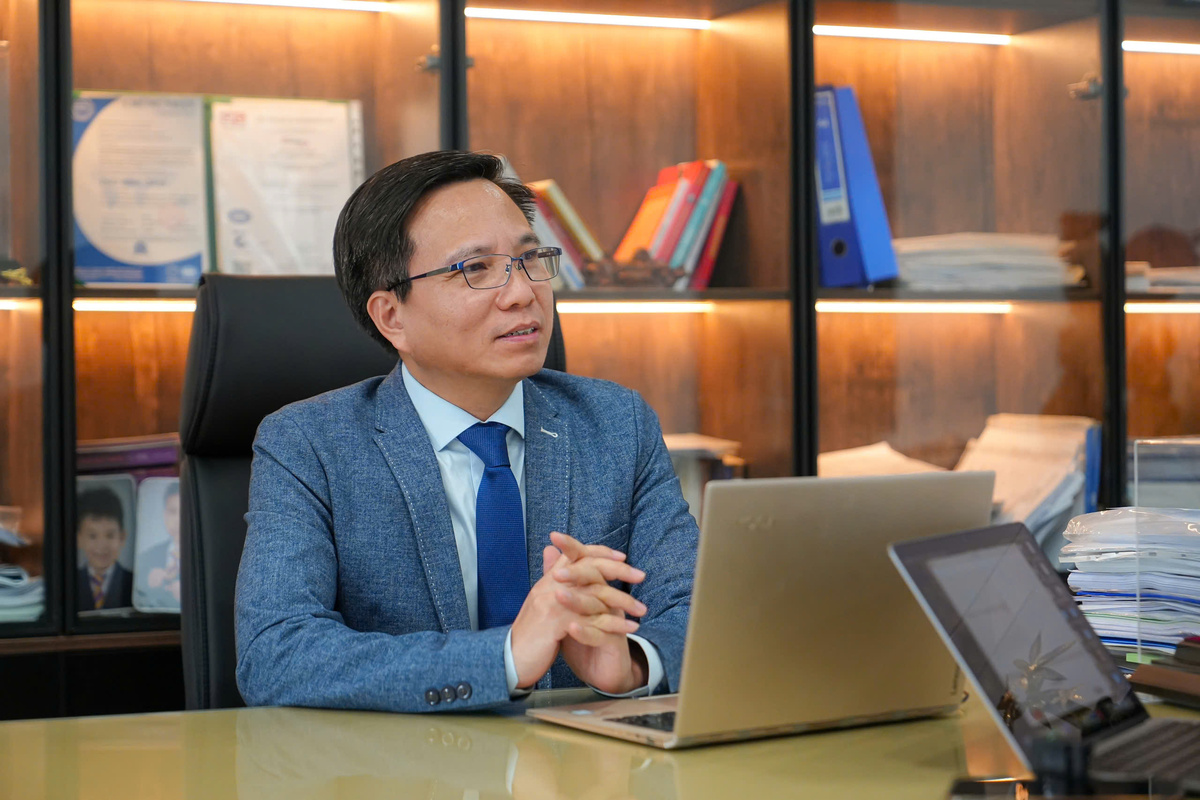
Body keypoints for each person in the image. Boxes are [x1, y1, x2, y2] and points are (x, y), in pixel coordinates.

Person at [235, 150, 698, 713]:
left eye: (530, 259)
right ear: (392, 317)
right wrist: (502, 659)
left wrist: (634, 664)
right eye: (475, 269)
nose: (522, 293)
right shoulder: (308, 445)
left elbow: (700, 608)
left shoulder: (615, 424)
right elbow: (275, 654)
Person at [76, 486, 134, 611]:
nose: (101, 545)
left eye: (110, 535)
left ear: (122, 538)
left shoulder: (133, 583)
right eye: (92, 536)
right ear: (79, 539)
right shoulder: (69, 583)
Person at [137, 481, 181, 610]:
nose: (178, 520)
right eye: (172, 511)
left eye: (185, 512)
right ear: (164, 515)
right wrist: (148, 583)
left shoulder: (208, 558)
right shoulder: (146, 557)